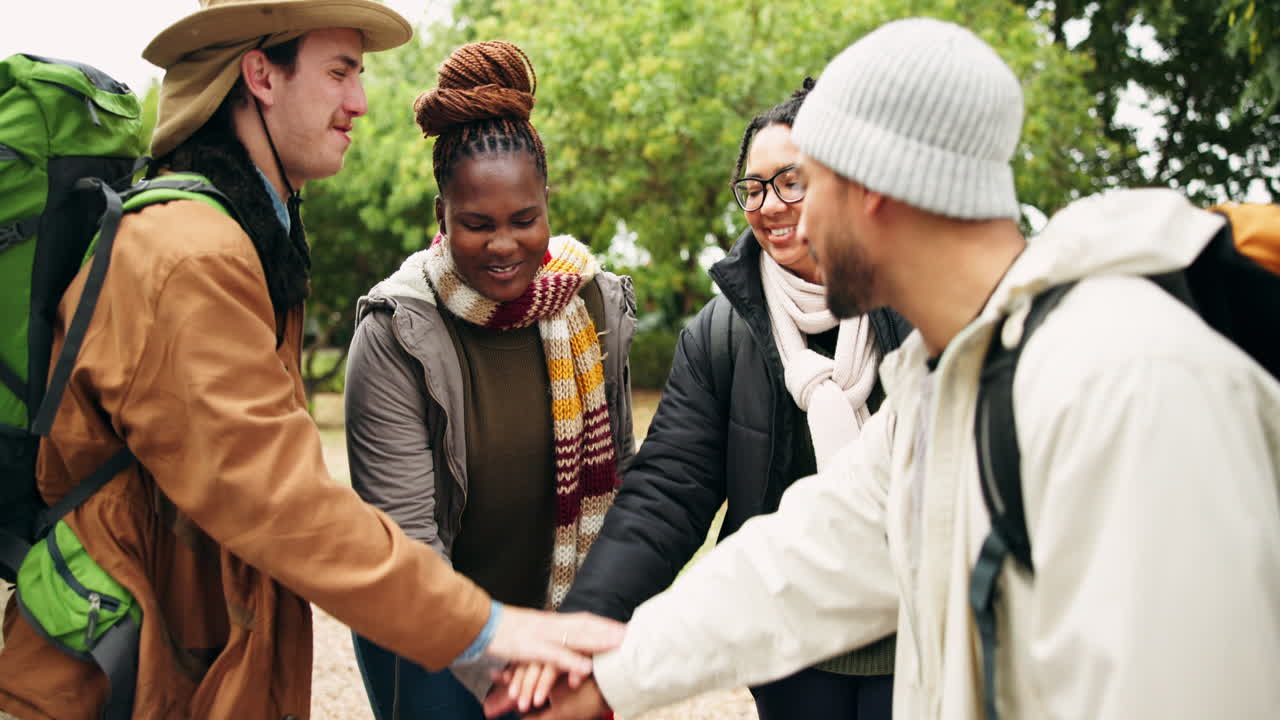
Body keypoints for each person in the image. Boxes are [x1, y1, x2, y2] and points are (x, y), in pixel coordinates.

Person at [490, 17, 1280, 720]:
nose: (785, 216)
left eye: (809, 182)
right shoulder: (943, 387)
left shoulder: (1128, 381)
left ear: (869, 189)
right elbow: (800, 560)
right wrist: (602, 673)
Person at [0, 3, 621, 719]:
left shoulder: (249, 232)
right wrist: (488, 629)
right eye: (340, 72)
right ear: (260, 74)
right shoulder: (187, 252)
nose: (359, 102)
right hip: (115, 682)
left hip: (171, 666)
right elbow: (279, 498)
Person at [537, 80, 905, 720]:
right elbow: (669, 490)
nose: (770, 205)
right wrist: (582, 627)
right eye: (754, 188)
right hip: (794, 645)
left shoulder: (911, 300)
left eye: (791, 181)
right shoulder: (723, 331)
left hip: (921, 635)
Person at [343, 39, 636, 720]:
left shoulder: (593, 307)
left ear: (547, 206)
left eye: (523, 220)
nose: (504, 246)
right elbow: (411, 545)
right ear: (440, 216)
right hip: (431, 630)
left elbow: (621, 475)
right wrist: (503, 653)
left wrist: (577, 630)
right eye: (477, 224)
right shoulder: (396, 332)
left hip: (562, 613)